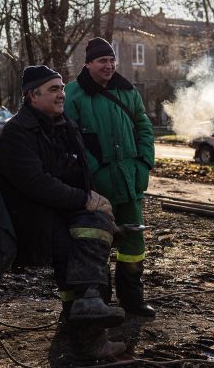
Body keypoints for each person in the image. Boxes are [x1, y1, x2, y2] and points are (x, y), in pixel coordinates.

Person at [0, 65, 127, 359]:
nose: (62, 94)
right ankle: (89, 334)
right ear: (32, 96)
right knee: (84, 244)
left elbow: (80, 174)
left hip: (61, 211)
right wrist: (85, 200)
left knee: (94, 234)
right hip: (32, 219)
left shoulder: (64, 125)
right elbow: (36, 183)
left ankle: (86, 325)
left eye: (62, 88)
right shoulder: (17, 132)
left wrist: (91, 200)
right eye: (54, 89)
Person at [65, 38, 156, 317]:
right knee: (95, 241)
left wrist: (144, 162)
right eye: (102, 61)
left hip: (130, 180)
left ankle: (132, 299)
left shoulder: (128, 91)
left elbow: (143, 126)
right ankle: (96, 301)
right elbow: (72, 138)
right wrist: (92, 172)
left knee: (133, 243)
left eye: (111, 60)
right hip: (96, 187)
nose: (109, 65)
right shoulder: (73, 94)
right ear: (88, 64)